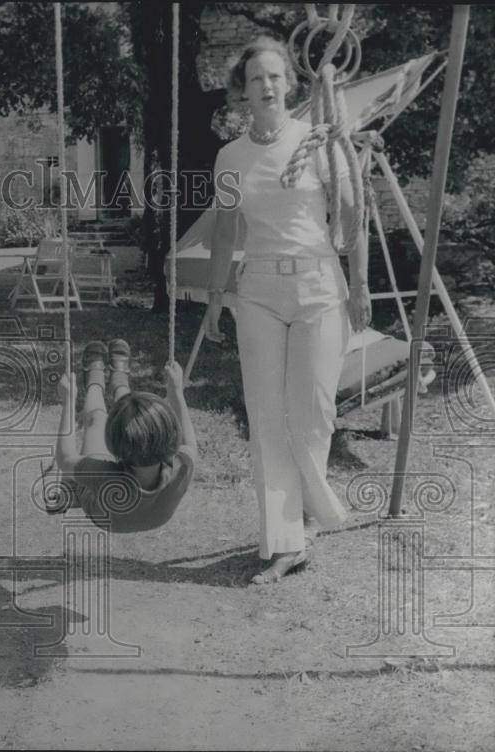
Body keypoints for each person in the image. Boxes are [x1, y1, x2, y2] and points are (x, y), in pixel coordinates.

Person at [203, 36, 372, 584]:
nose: (268, 86)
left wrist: (361, 284)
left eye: (276, 76)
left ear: (289, 85)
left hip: (320, 287)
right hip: (257, 294)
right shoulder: (230, 157)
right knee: (267, 418)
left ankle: (312, 513)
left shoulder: (320, 142)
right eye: (257, 79)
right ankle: (285, 542)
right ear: (243, 92)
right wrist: (213, 297)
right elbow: (227, 229)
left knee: (311, 414)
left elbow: (354, 217)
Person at [48, 339, 197, 533]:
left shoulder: (105, 476)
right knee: (131, 412)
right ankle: (119, 380)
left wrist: (68, 401)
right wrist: (177, 393)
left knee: (96, 420)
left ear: (111, 443)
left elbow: (65, 459)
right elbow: (190, 444)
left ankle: (94, 383)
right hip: (156, 518)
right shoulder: (181, 467)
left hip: (104, 515)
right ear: (171, 437)